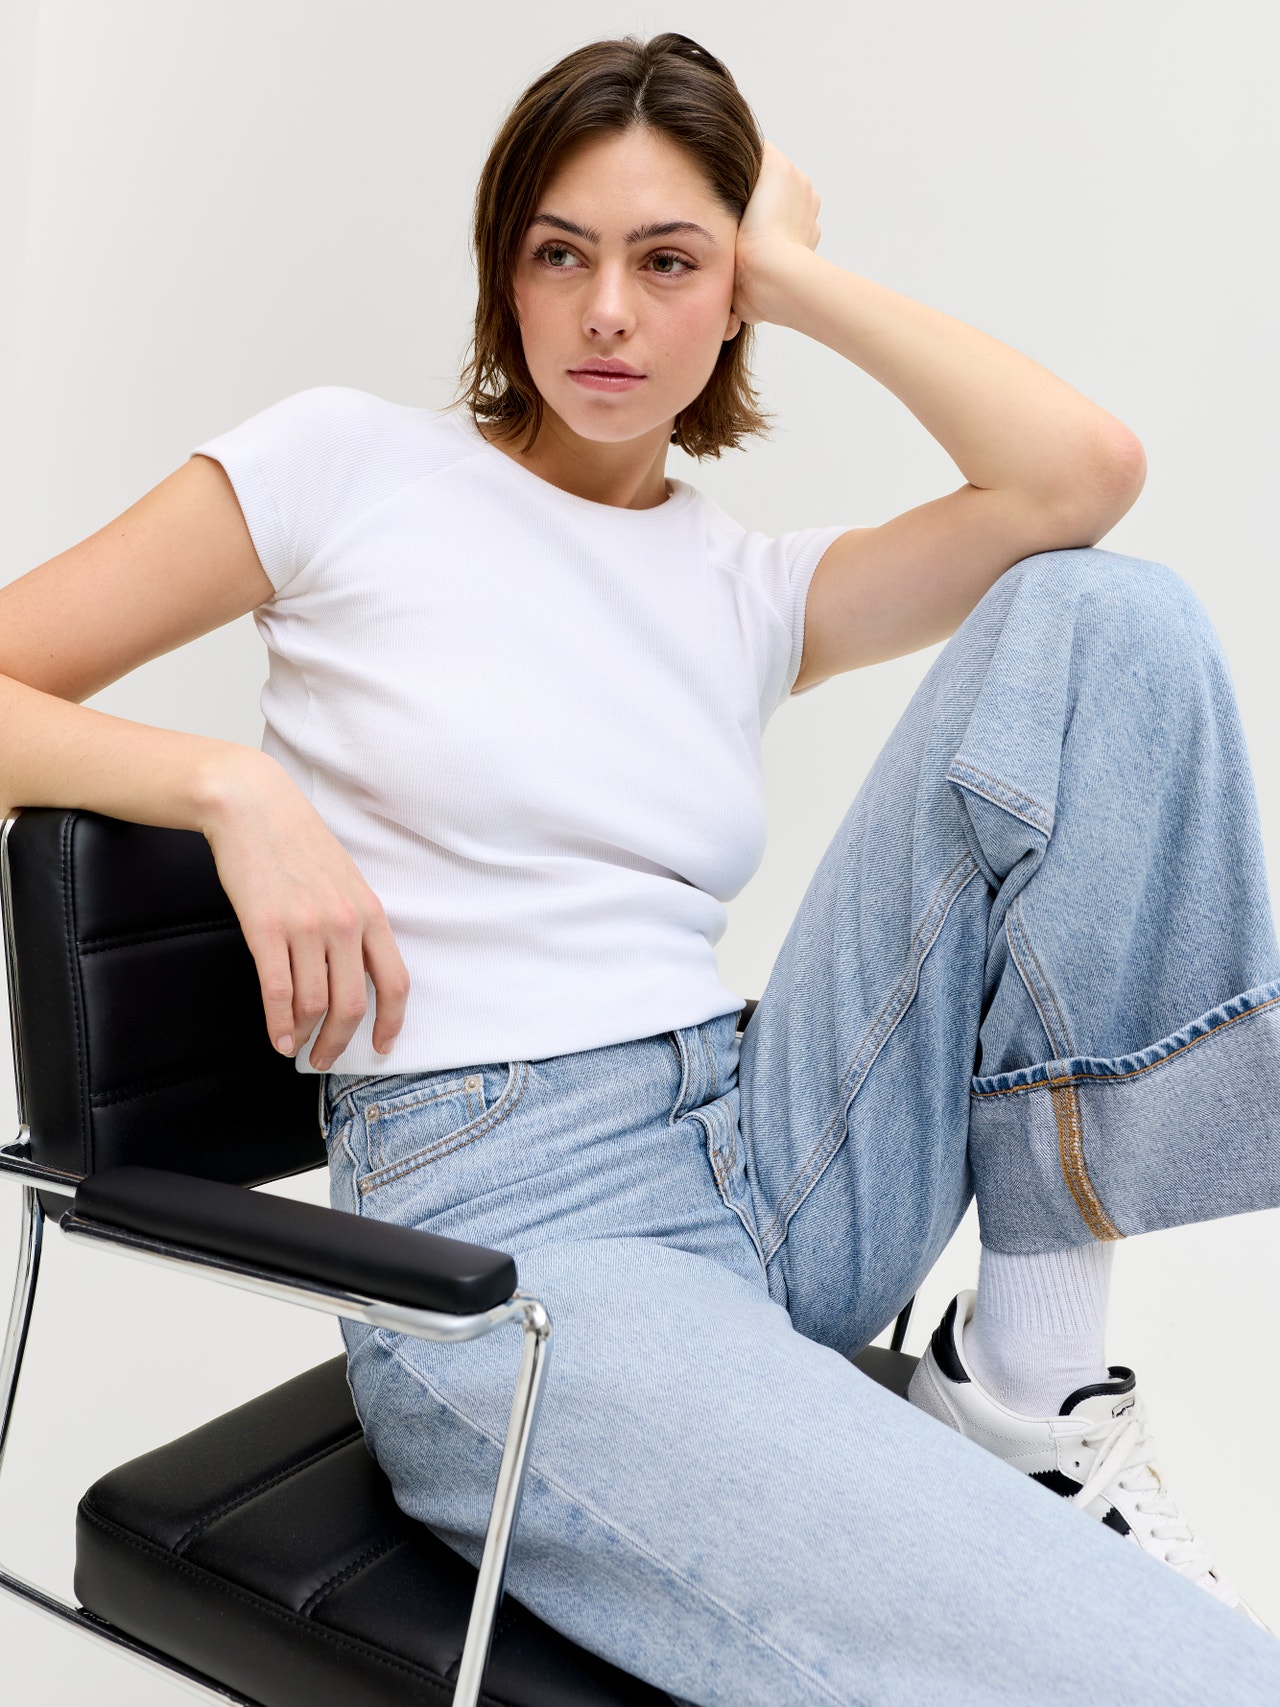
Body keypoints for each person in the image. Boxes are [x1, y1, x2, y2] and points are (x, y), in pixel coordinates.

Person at [1, 27, 1278, 1707]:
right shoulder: (342, 469)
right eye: (562, 254)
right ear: (505, 273)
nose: (607, 312)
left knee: (1107, 617)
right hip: (516, 1235)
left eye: (669, 262)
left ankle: (1029, 1387)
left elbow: (1081, 478)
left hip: (772, 1151)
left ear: (730, 293)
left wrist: (795, 271)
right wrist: (227, 785)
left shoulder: (743, 587)